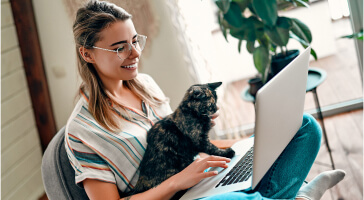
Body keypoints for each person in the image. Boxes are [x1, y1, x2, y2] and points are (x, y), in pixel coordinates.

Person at [65, 0, 346, 199]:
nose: (135, 53)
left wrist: (241, 145)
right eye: (119, 48)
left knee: (305, 127)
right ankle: (299, 198)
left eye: (135, 40)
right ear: (87, 54)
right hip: (179, 195)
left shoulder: (144, 85)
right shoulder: (83, 131)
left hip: (202, 178)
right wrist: (179, 181)